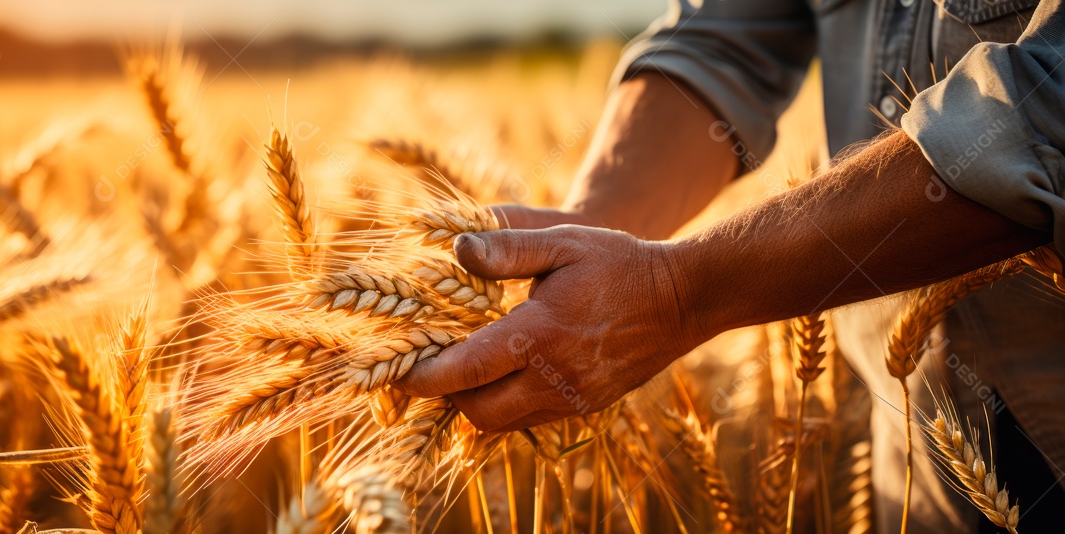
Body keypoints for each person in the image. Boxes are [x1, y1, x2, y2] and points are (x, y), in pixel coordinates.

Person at [397, 0, 1065, 531]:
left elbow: (1045, 110)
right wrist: (590, 230)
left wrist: (681, 293)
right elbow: (724, 39)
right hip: (914, 454)